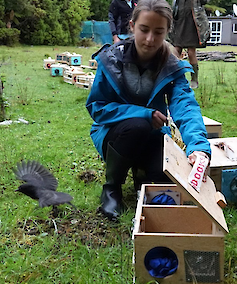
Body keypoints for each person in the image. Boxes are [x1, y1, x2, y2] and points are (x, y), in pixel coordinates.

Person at [86, 0, 211, 221]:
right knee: (138, 125)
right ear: (132, 25)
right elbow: (98, 108)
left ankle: (141, 176)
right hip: (115, 136)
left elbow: (186, 106)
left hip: (153, 137)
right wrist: (143, 113)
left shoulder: (172, 66)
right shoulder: (111, 59)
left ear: (168, 32)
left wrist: (199, 147)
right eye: (144, 30)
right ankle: (112, 188)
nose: (150, 39)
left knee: (162, 185)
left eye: (158, 32)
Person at [169, 0, 210, 89]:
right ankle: (174, 78)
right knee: (175, 52)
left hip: (192, 24)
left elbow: (205, 1)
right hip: (178, 24)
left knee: (191, 53)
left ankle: (194, 79)